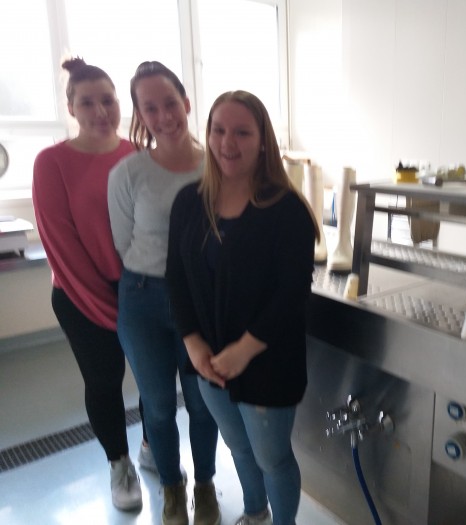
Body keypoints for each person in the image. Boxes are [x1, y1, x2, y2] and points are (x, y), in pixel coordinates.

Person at [166, 90, 319, 525]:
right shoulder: (189, 201)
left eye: (242, 132)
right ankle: (255, 514)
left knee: (273, 459)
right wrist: (193, 344)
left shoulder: (286, 210)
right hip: (210, 361)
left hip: (267, 362)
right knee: (239, 447)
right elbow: (176, 277)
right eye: (218, 130)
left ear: (263, 141)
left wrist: (244, 350)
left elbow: (291, 293)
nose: (227, 142)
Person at [107, 61, 220, 525]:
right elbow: (123, 242)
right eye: (149, 108)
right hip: (144, 298)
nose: (163, 115)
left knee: (203, 403)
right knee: (156, 405)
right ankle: (172, 489)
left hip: (203, 300)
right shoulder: (128, 173)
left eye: (170, 103)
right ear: (139, 114)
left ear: (186, 103)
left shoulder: (217, 165)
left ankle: (205, 487)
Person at [32, 57, 143, 511]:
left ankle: (153, 445)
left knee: (154, 379)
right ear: (71, 108)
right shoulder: (52, 162)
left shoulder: (138, 155)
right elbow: (62, 244)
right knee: (104, 381)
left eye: (108, 100)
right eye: (87, 103)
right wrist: (110, 309)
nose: (101, 111)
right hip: (80, 295)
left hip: (138, 288)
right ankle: (119, 463)